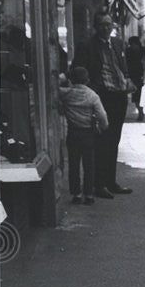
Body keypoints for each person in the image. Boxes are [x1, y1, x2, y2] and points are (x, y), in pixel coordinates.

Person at [71, 9, 134, 198]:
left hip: (119, 97)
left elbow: (122, 67)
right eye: (102, 25)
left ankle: (110, 181)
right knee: (102, 142)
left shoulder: (117, 43)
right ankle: (99, 185)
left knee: (114, 141)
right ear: (95, 27)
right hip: (102, 98)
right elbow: (78, 70)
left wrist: (128, 80)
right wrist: (93, 90)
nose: (106, 28)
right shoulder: (87, 46)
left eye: (109, 24)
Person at [59, 66, 108, 204]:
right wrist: (102, 127)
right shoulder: (92, 95)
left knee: (74, 165)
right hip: (88, 133)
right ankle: (89, 195)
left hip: (73, 132)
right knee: (89, 165)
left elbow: (52, 88)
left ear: (71, 80)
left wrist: (62, 78)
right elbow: (102, 115)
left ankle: (76, 194)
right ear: (87, 79)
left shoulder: (66, 93)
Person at [125, 36, 145, 121]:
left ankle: (141, 112)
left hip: (140, 76)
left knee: (139, 96)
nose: (132, 46)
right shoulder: (128, 51)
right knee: (136, 96)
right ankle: (140, 112)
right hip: (132, 76)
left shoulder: (143, 50)